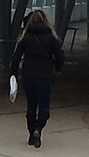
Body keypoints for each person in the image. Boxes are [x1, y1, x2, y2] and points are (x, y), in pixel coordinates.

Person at [9, 10, 64, 148]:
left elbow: (16, 58)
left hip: (29, 75)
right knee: (44, 107)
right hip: (45, 75)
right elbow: (60, 56)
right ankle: (38, 129)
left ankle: (31, 134)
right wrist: (58, 69)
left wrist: (13, 74)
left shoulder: (25, 37)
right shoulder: (51, 37)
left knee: (31, 106)